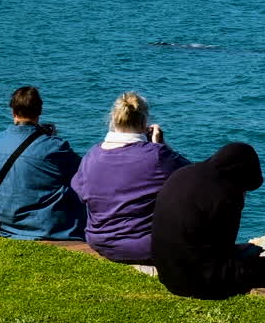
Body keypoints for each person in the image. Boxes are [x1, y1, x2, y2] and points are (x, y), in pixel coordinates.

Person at [153, 142, 265, 298]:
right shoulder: (227, 194)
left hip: (169, 275)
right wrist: (244, 254)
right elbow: (224, 251)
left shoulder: (184, 174)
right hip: (200, 282)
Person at [71, 91, 189, 263]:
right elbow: (193, 178)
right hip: (145, 245)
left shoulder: (92, 155)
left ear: (113, 119)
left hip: (100, 242)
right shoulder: (156, 155)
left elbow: (80, 192)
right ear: (144, 123)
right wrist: (162, 146)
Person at [0, 86, 85, 240]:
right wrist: (50, 138)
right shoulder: (55, 147)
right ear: (39, 112)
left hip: (4, 224)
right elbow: (84, 172)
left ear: (13, 112)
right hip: (48, 228)